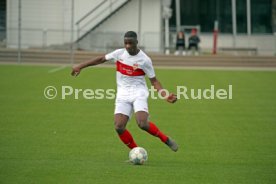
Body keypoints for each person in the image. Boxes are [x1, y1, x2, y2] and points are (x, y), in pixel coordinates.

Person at [71, 31, 179, 152]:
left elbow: (154, 81)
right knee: (119, 127)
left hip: (139, 93)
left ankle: (165, 139)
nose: (128, 46)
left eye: (130, 43)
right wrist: (80, 66)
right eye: (126, 43)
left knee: (142, 123)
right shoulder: (119, 53)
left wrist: (164, 95)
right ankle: (136, 151)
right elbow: (101, 59)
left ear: (136, 43)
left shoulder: (145, 60)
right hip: (122, 95)